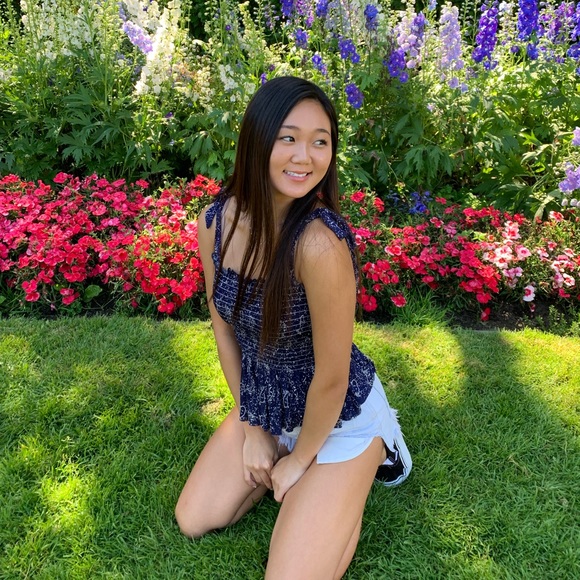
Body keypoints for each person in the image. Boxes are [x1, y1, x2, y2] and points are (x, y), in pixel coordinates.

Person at [175, 76, 411, 579]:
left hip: (339, 416)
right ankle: (307, 479)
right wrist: (252, 426)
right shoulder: (215, 223)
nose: (305, 156)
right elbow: (224, 329)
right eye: (288, 137)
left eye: (320, 141)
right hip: (270, 402)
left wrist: (300, 460)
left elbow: (332, 375)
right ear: (257, 139)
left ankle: (364, 461)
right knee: (194, 518)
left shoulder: (320, 243)